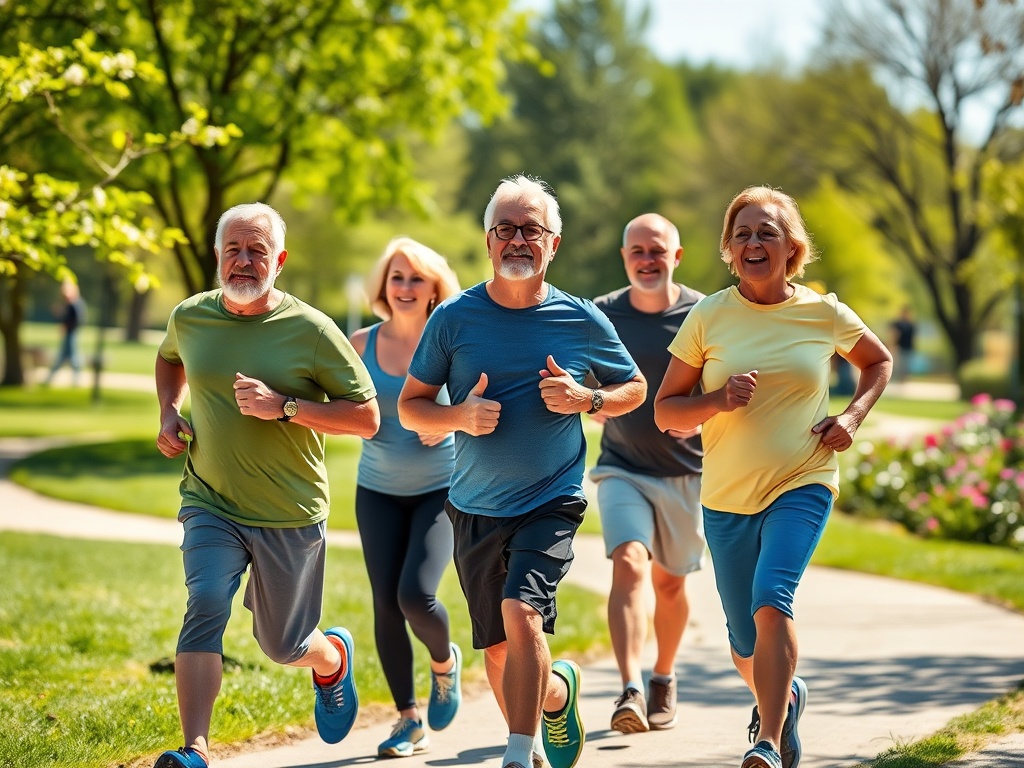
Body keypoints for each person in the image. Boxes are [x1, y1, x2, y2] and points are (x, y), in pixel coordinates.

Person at [397, 175, 647, 768]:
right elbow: (411, 406)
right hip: (475, 504)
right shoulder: (454, 319)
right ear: (488, 241)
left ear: (552, 244)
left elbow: (633, 388)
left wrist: (587, 400)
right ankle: (556, 696)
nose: (517, 240)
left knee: (522, 612)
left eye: (530, 229)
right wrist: (459, 414)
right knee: (502, 649)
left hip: (551, 499)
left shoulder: (580, 320)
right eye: (505, 229)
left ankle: (518, 751)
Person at [653, 186, 891, 768]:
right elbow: (666, 411)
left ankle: (766, 738)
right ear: (730, 251)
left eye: (767, 232)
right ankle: (782, 695)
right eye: (743, 234)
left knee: (771, 598)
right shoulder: (708, 314)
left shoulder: (824, 312)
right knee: (744, 640)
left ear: (792, 247)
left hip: (802, 478)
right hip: (727, 496)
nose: (753, 242)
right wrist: (718, 399)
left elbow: (878, 362)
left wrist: (853, 416)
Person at [153, 202, 381, 768]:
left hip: (290, 510)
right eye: (234, 248)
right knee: (204, 602)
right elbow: (169, 359)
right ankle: (196, 751)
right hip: (210, 500)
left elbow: (367, 417)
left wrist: (285, 407)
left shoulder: (311, 330)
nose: (244, 260)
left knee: (283, 647)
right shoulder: (191, 316)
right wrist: (167, 410)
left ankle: (330, 660)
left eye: (257, 250)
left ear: (279, 259)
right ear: (217, 256)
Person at [589, 213, 705, 735]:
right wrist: (587, 400)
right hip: (622, 467)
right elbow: (578, 376)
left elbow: (729, 382)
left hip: (687, 472)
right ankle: (630, 687)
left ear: (676, 256)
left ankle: (663, 674)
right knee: (630, 564)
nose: (647, 259)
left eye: (657, 250)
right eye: (637, 250)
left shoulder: (704, 313)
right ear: (624, 258)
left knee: (672, 585)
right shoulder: (602, 315)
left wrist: (704, 411)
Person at [349, 237, 463, 758]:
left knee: (414, 596)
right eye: (397, 277)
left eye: (417, 278)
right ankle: (407, 720)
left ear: (436, 286)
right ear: (383, 286)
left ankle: (444, 664)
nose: (406, 287)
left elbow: (482, 407)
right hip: (375, 490)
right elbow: (343, 410)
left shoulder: (451, 342)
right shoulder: (360, 344)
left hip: (439, 491)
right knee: (384, 604)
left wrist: (448, 423)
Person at [45, 278, 87, 386]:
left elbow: (75, 320)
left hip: (71, 334)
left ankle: (75, 380)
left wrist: (66, 326)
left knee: (72, 358)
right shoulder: (72, 304)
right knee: (63, 357)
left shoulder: (75, 304)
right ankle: (50, 379)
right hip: (70, 333)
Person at [890, 306, 917, 384]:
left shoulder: (911, 325)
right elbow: (895, 335)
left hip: (908, 347)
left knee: (906, 364)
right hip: (900, 347)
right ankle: (898, 379)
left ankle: (904, 379)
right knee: (899, 364)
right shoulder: (898, 324)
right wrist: (893, 345)